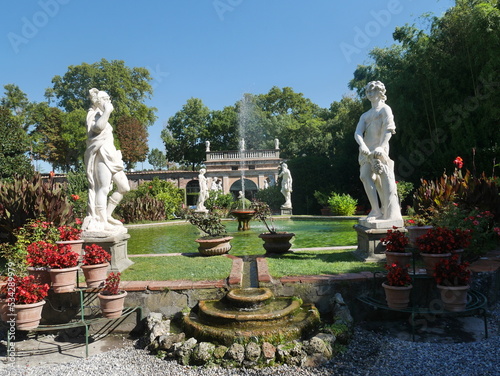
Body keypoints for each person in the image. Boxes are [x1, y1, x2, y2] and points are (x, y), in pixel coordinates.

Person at [354, 81, 402, 223]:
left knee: (383, 179)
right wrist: (362, 145)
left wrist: (381, 146)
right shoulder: (365, 115)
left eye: (372, 91)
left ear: (380, 92)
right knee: (364, 176)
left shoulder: (385, 109)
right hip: (366, 150)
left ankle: (389, 212)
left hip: (380, 149)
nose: (370, 94)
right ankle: (375, 210)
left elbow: (389, 129)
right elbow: (357, 132)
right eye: (368, 92)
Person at [83, 89, 130, 233]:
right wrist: (107, 111)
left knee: (124, 188)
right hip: (101, 155)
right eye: (105, 99)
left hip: (112, 155)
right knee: (102, 188)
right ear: (98, 101)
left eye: (109, 99)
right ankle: (102, 221)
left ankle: (107, 215)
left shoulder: (102, 115)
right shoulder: (93, 114)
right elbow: (97, 129)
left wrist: (106, 112)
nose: (108, 101)